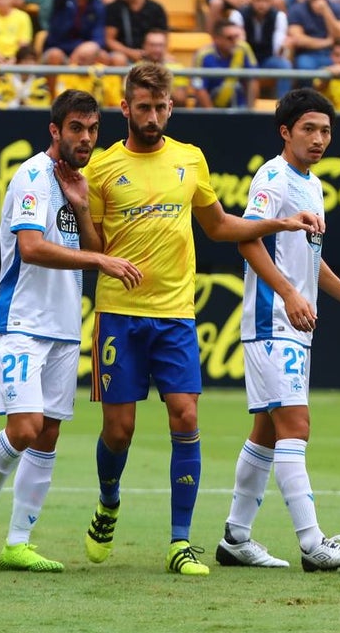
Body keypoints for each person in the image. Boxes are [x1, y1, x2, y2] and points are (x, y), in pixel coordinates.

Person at [81, 62, 324, 576]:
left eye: (160, 107)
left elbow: (218, 226)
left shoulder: (190, 159)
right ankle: (108, 500)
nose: (152, 116)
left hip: (176, 314)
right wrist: (84, 214)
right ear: (125, 108)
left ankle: (180, 541)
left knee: (186, 417)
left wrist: (280, 223)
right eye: (143, 107)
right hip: (119, 313)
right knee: (119, 431)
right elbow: (93, 245)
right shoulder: (101, 169)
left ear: (172, 107)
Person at [0, 91, 143, 573]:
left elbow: (94, 245)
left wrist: (82, 208)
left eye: (93, 129)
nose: (86, 138)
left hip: (64, 325)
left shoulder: (81, 182)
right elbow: (31, 247)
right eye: (76, 128)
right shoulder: (33, 176)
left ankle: (19, 543)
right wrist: (98, 259)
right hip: (21, 321)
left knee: (48, 435)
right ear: (55, 130)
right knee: (24, 428)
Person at [216, 88, 340, 572]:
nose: (319, 138)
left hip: (293, 325)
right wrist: (288, 294)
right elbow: (248, 240)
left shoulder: (313, 185)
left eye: (326, 130)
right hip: (273, 321)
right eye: (309, 128)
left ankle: (235, 537)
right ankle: (312, 543)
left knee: (267, 431)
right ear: (285, 131)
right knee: (296, 426)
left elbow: (310, 258)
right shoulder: (273, 176)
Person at [192, 18, 258, 108]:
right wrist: (212, 114)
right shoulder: (203, 55)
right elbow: (199, 88)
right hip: (209, 108)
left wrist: (250, 111)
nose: (235, 41)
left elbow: (253, 80)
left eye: (237, 37)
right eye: (230, 38)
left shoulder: (243, 50)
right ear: (216, 39)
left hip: (239, 107)